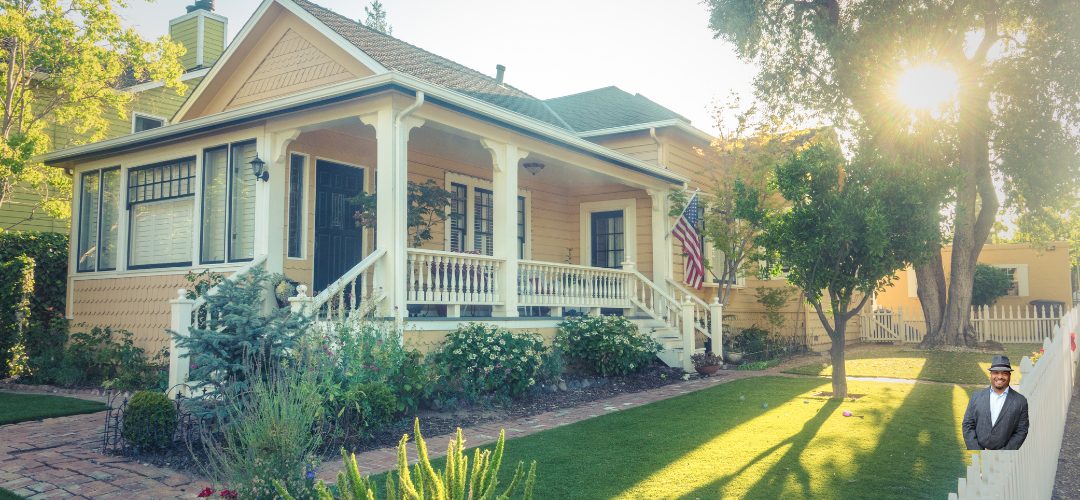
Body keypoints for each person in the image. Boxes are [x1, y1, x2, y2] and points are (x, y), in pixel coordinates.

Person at [962, 355, 1029, 450]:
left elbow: (1021, 431)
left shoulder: (1020, 401)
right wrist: (977, 451)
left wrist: (1002, 454)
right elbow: (968, 425)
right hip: (978, 457)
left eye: (1004, 373)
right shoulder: (976, 397)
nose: (1000, 377)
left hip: (1004, 459)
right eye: (996, 372)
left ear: (1010, 375)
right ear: (991, 374)